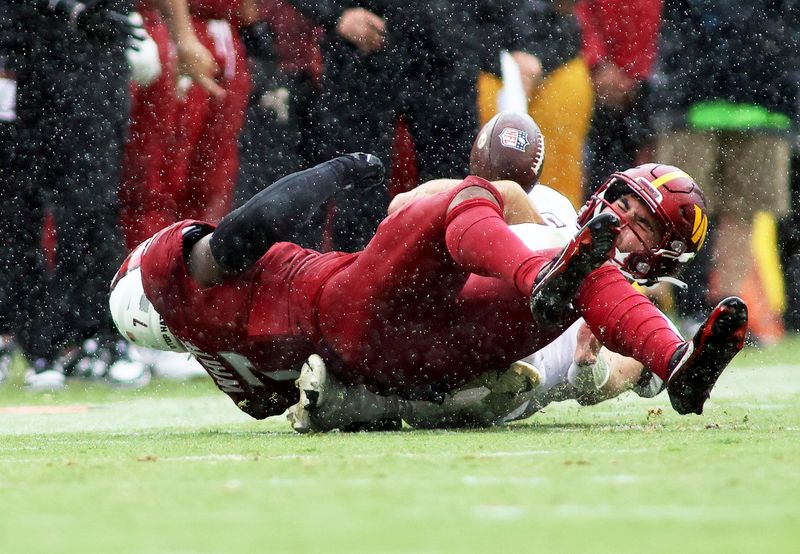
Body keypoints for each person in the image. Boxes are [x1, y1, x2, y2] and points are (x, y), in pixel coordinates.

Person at [110, 152, 747, 425]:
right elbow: (247, 231)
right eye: (627, 213)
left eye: (643, 223)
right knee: (487, 213)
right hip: (444, 347)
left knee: (572, 269)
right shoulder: (187, 277)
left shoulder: (240, 373)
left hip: (434, 353)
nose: (627, 226)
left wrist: (628, 370)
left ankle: (679, 364)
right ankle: (642, 342)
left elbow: (309, 400)